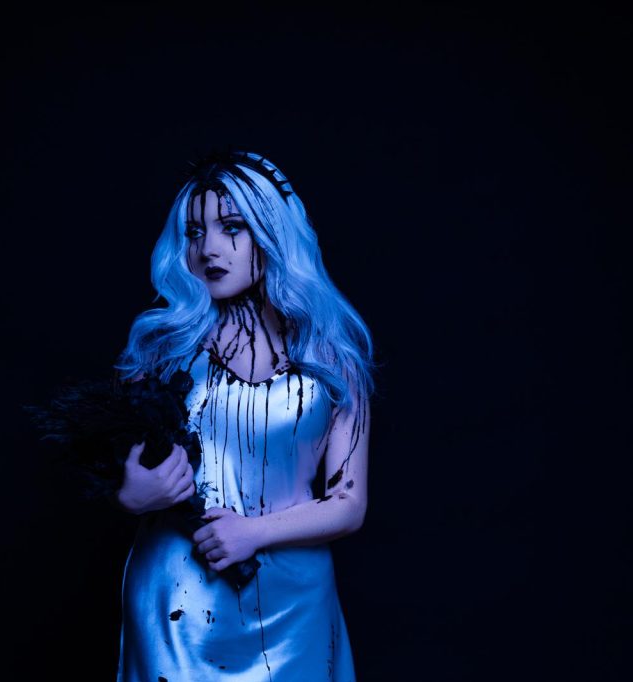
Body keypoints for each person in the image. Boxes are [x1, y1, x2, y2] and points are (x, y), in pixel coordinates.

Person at [112, 149, 375, 681]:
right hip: (178, 599)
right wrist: (131, 495)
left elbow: (349, 505)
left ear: (272, 232)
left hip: (294, 605)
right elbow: (123, 467)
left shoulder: (332, 358)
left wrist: (253, 532)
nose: (208, 248)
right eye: (194, 232)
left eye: (232, 227)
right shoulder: (160, 351)